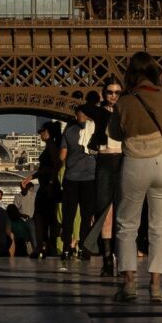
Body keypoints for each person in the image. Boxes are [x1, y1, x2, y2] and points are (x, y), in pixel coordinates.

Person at [110, 52, 162, 303]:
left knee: (127, 226)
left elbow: (115, 134)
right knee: (160, 228)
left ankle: (129, 284)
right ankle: (156, 286)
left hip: (135, 163)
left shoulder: (124, 102)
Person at [89, 80, 124, 275]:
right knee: (105, 212)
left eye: (118, 92)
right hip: (104, 161)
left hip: (122, 160)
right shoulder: (98, 113)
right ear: (103, 94)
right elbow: (84, 108)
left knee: (122, 212)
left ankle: (119, 257)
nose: (113, 96)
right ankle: (107, 258)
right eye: (109, 92)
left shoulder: (125, 113)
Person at [60, 104, 99, 259]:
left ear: (76, 115)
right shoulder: (95, 130)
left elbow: (62, 157)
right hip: (90, 178)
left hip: (71, 178)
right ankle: (83, 248)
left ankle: (66, 249)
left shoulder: (69, 131)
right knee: (86, 215)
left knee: (68, 216)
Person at [20, 122, 63, 259]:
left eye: (41, 131)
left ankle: (41, 247)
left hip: (48, 187)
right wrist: (32, 176)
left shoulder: (51, 146)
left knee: (40, 217)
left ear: (48, 132)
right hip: (49, 186)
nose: (39, 133)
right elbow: (48, 167)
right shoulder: (51, 146)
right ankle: (49, 247)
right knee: (49, 217)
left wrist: (49, 182)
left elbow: (55, 165)